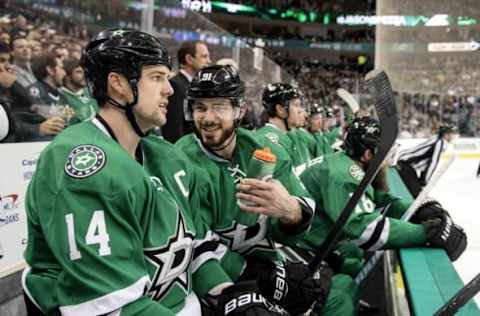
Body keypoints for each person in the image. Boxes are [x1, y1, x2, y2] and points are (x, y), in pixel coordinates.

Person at [22, 28, 226, 316]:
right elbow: (112, 306)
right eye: (156, 77)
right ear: (117, 84)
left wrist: (229, 294)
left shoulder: (166, 156)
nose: (169, 89)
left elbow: (197, 246)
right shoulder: (86, 165)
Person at [176, 65, 350, 316]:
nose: (208, 117)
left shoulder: (265, 149)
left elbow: (302, 210)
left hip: (265, 264)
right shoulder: (181, 162)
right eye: (200, 107)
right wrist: (254, 280)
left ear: (240, 110)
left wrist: (291, 212)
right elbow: (194, 246)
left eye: (219, 107)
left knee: (338, 293)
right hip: (221, 282)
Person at [297, 117, 467, 276]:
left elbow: (378, 203)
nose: (386, 159)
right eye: (383, 152)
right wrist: (424, 233)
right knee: (345, 291)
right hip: (298, 248)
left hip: (313, 241)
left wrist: (418, 210)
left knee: (355, 263)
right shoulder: (342, 175)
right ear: (368, 155)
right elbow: (363, 229)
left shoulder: (347, 163)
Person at [255, 83, 314, 174]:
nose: (301, 110)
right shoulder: (265, 140)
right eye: (296, 105)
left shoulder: (286, 136)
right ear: (281, 110)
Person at [162, 41, 211, 143]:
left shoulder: (196, 86)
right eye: (204, 56)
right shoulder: (175, 85)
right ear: (189, 59)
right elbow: (174, 130)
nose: (209, 61)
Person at [13, 53, 69, 141]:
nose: (64, 73)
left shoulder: (61, 94)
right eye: (61, 68)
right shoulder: (34, 91)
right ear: (50, 70)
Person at [396, 121, 457, 197]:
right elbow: (433, 163)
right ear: (446, 134)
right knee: (417, 195)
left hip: (403, 162)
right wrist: (425, 181)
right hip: (404, 164)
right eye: (451, 133)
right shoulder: (441, 143)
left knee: (414, 191)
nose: (453, 136)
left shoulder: (437, 139)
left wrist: (423, 180)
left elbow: (425, 163)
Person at [59, 57, 99, 124]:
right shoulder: (62, 98)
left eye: (84, 71)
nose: (84, 75)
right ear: (67, 76)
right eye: (79, 72)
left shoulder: (90, 91)